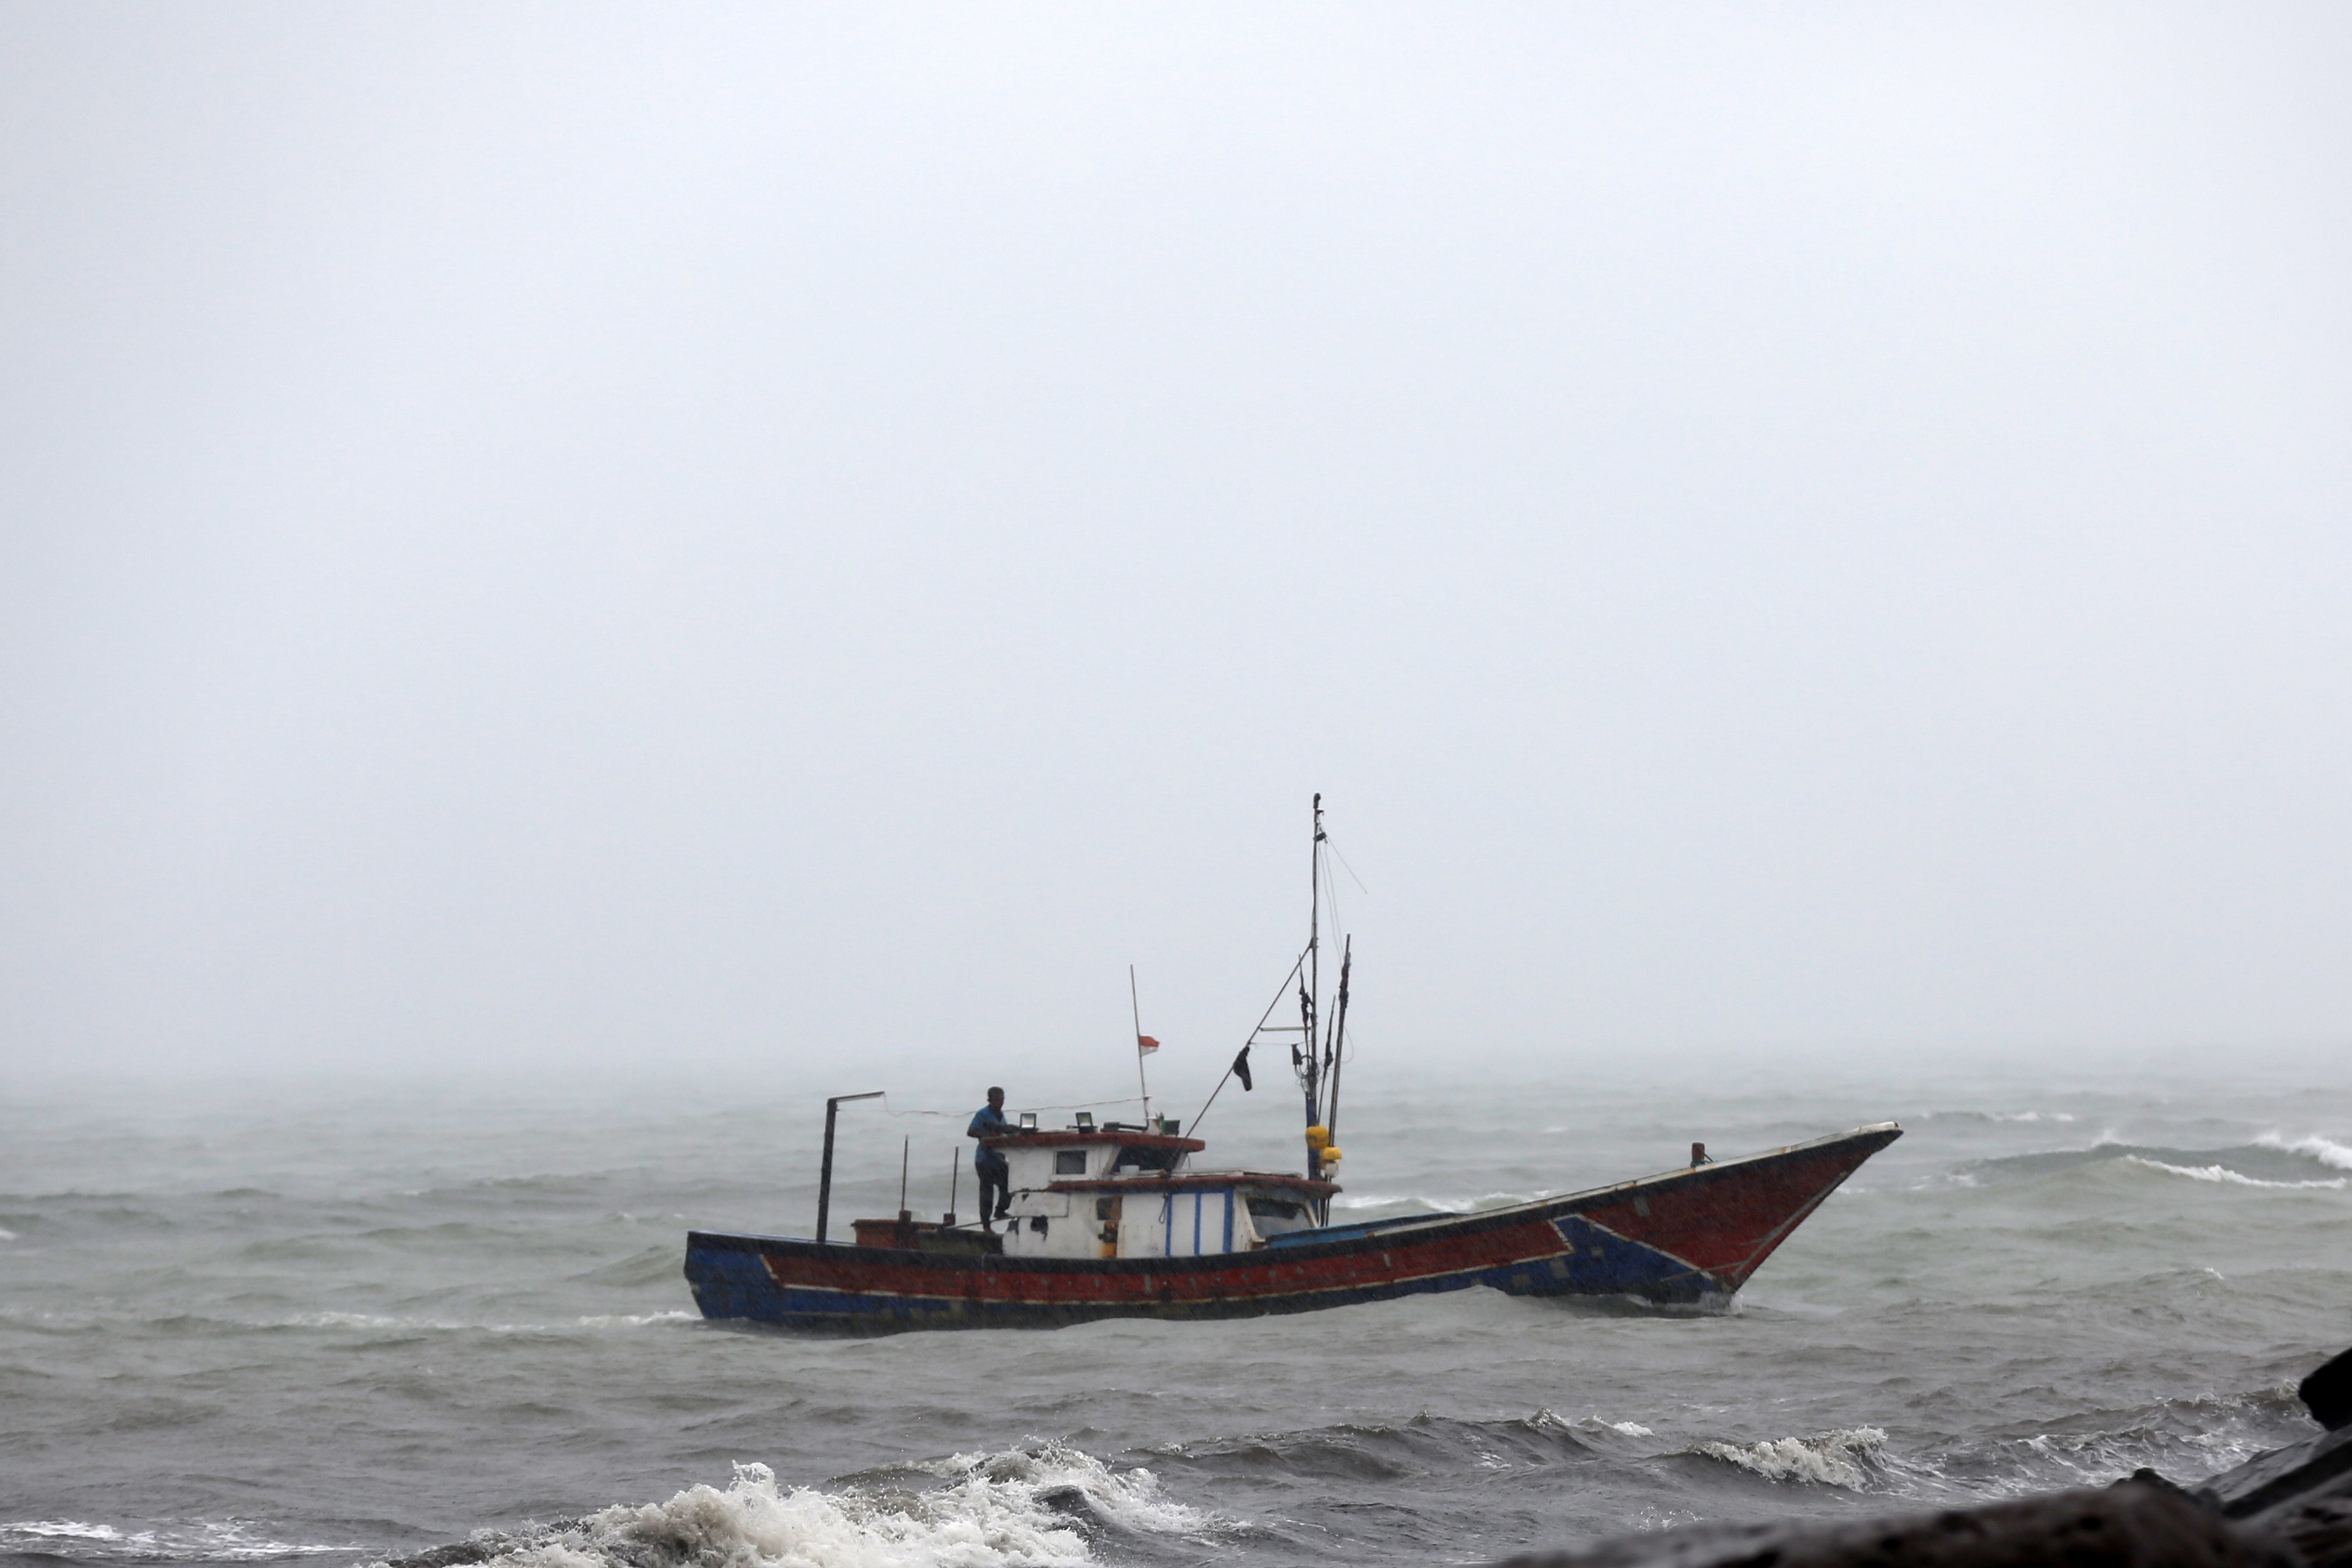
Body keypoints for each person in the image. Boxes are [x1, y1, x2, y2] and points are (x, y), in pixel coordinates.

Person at [968, 1086, 1014, 1230]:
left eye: (1001, 1100)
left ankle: (1000, 1210)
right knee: (987, 1193)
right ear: (989, 1100)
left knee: (1009, 1183)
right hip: (984, 1159)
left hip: (998, 1158)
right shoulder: (982, 1114)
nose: (999, 1103)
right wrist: (987, 1135)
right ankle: (986, 1225)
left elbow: (1003, 1131)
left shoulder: (1001, 1115)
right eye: (996, 1100)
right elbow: (971, 1131)